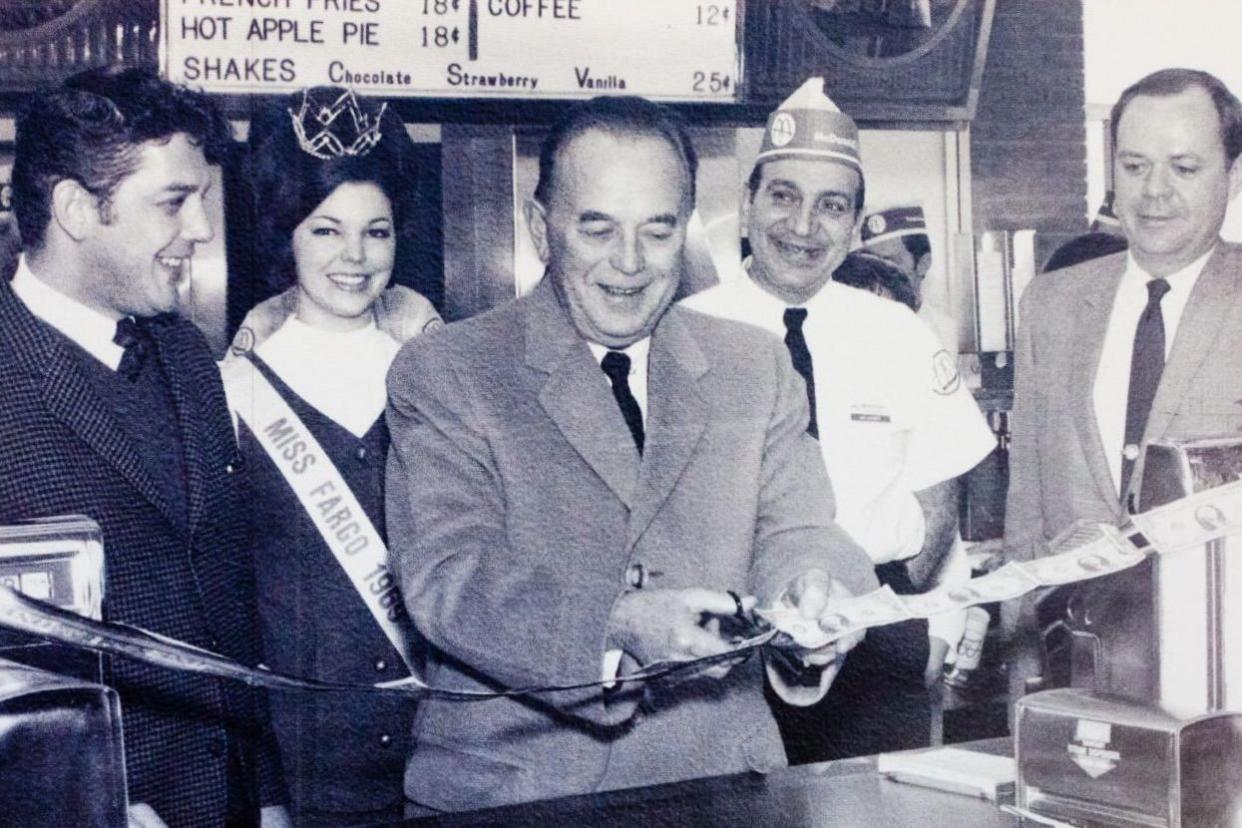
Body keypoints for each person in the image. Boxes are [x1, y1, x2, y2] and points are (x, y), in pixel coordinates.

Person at [385, 95, 879, 812]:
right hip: (518, 795)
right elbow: (451, 577)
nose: (629, 263)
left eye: (657, 230)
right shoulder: (449, 371)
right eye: (597, 228)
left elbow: (800, 529)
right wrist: (615, 625)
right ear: (540, 226)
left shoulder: (756, 365)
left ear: (687, 229)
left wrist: (815, 592)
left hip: (725, 782)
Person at [0, 67, 288, 827]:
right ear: (73, 208)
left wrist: (267, 795)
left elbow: (231, 602)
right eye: (173, 201)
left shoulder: (191, 358)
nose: (200, 228)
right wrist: (68, 801)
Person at [683, 77, 995, 763]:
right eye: (784, 196)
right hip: (725, 645)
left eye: (830, 206)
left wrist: (873, 607)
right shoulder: (683, 333)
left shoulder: (899, 333)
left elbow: (941, 494)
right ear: (747, 205)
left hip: (875, 637)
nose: (802, 226)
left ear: (855, 226)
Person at [219, 87, 440, 826]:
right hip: (304, 762)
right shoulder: (232, 391)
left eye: (376, 232)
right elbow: (231, 605)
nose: (355, 257)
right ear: (286, 235)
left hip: (444, 749)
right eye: (326, 231)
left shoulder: (441, 376)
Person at [1004, 68, 1242, 705]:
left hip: (1228, 674)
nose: (1154, 191)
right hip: (1077, 672)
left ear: (1234, 175)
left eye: (1184, 168)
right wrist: (1022, 673)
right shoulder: (1050, 305)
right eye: (1135, 166)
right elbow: (1026, 504)